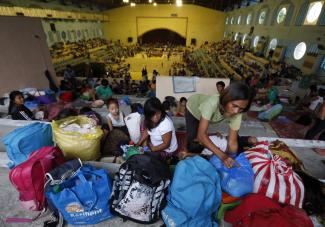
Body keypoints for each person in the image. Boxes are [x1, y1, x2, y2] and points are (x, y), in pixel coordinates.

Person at [184, 82, 252, 168]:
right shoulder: (211, 103)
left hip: (207, 114)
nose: (236, 111)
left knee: (201, 137)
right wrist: (223, 156)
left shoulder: (238, 113)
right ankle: (187, 155)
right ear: (226, 99)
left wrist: (232, 159)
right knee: (194, 142)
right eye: (234, 106)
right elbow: (201, 135)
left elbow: (232, 142)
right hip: (193, 108)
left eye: (241, 108)